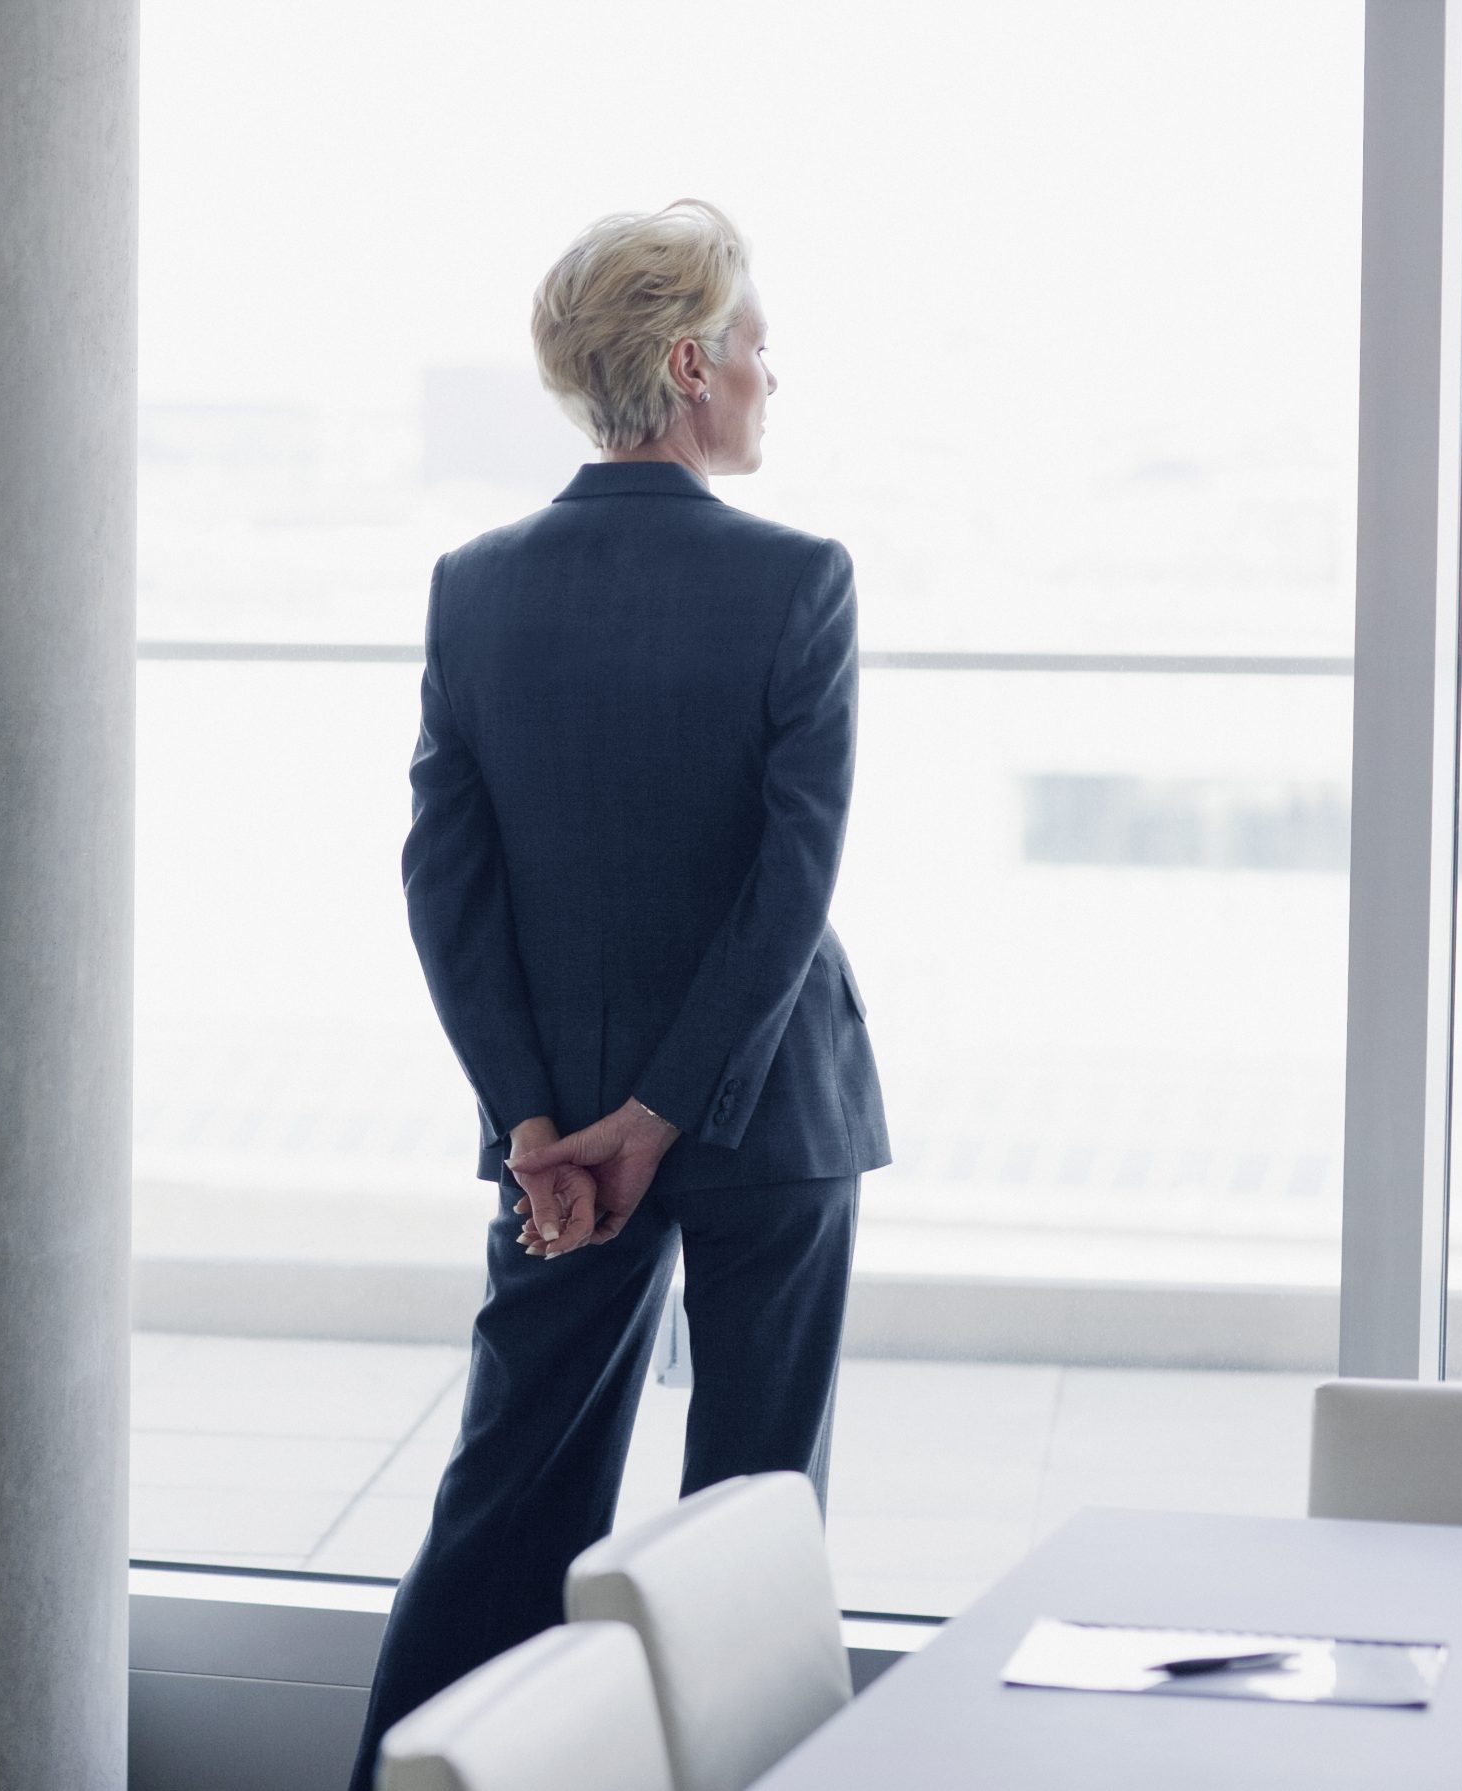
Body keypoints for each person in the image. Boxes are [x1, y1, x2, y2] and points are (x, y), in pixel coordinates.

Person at [346, 199, 890, 1789]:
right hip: (768, 1121)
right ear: (685, 363)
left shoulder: (476, 585)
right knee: (751, 1524)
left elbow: (445, 884)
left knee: (507, 1502)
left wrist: (541, 1121)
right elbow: (792, 886)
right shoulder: (804, 581)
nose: (771, 379)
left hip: (562, 1134)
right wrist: (666, 1115)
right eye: (757, 350)